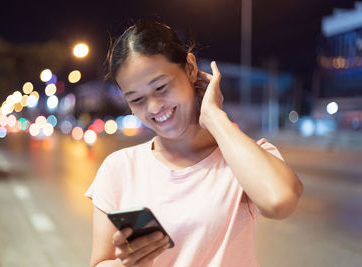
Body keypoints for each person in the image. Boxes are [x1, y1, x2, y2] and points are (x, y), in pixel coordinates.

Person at [85, 21, 303, 267]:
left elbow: (280, 200)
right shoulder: (119, 168)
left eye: (161, 87)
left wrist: (214, 116)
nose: (154, 107)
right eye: (137, 99)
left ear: (190, 67)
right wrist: (128, 265)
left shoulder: (242, 158)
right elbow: (99, 263)